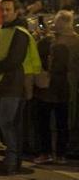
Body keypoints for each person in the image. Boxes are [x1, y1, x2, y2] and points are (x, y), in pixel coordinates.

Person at [0, 0, 40, 176]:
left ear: (16, 11)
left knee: (7, 124)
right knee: (11, 125)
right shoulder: (2, 31)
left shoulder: (20, 33)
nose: (4, 13)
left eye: (8, 10)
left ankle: (11, 162)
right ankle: (13, 161)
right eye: (2, 9)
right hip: (1, 83)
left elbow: (14, 60)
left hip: (12, 84)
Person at [32, 10, 79, 165]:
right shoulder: (75, 41)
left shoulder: (51, 40)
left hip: (50, 87)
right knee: (62, 123)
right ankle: (60, 154)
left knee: (46, 122)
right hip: (65, 87)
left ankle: (47, 153)